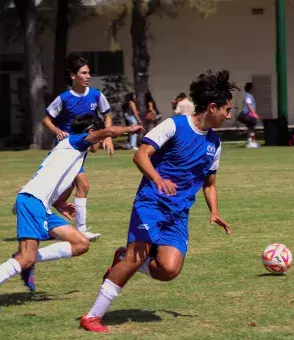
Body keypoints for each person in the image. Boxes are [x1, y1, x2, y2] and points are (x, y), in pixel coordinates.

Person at [80, 69, 234, 333]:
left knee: (169, 270)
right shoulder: (175, 125)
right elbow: (140, 155)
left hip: (178, 213)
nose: (229, 115)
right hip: (151, 203)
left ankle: (124, 257)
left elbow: (210, 183)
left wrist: (215, 211)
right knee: (135, 257)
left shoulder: (215, 143)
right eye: (226, 110)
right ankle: (92, 316)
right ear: (212, 107)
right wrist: (158, 180)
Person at [0, 115, 144, 292]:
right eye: (99, 137)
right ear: (92, 132)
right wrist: (131, 129)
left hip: (42, 205)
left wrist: (60, 204)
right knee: (26, 257)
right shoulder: (76, 141)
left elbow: (54, 181)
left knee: (81, 244)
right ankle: (24, 260)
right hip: (33, 201)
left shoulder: (72, 151)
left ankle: (26, 259)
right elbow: (110, 131)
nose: (100, 142)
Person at [42, 54, 114, 241]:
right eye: (84, 73)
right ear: (73, 76)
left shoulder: (96, 95)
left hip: (82, 151)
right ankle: (81, 230)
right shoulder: (64, 98)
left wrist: (107, 136)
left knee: (61, 190)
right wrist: (57, 130)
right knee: (83, 185)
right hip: (67, 150)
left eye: (89, 72)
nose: (88, 76)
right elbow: (46, 119)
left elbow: (107, 114)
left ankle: (44, 220)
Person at [237, 82, 260, 148]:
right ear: (250, 88)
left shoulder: (250, 95)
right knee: (251, 127)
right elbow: (249, 105)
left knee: (250, 128)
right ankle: (251, 142)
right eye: (253, 88)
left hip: (249, 115)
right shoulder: (248, 96)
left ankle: (253, 142)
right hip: (247, 115)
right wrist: (254, 114)